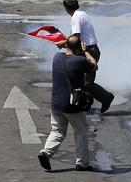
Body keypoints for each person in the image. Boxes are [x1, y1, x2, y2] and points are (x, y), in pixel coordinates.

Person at [38, 35, 98, 172]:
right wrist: (86, 51)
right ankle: (82, 163)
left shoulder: (56, 57)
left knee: (57, 131)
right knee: (81, 132)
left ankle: (46, 153)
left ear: (66, 46)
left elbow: (69, 48)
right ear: (78, 48)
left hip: (56, 103)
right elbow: (94, 65)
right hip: (73, 105)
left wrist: (68, 44)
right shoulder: (80, 61)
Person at [58, 0, 115, 113]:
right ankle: (86, 104)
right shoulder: (82, 14)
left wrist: (63, 43)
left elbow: (76, 37)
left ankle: (106, 98)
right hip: (89, 49)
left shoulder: (75, 17)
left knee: (86, 83)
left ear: (66, 9)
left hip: (88, 51)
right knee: (82, 80)